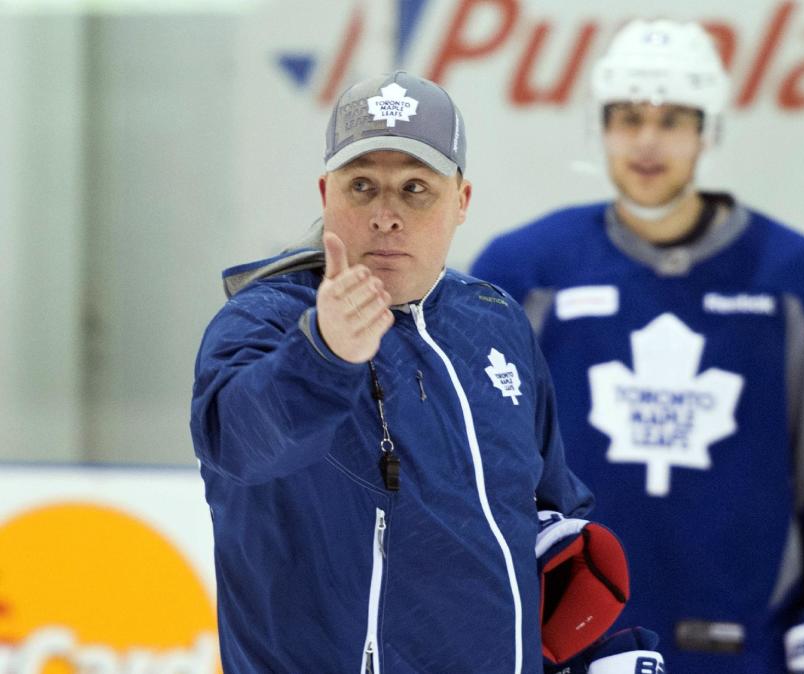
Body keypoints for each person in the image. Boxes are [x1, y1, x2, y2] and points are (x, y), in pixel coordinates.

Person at [191, 70, 661, 674]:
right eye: (362, 185)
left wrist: (587, 653)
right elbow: (241, 444)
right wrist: (325, 354)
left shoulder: (493, 320)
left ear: (461, 201)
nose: (386, 214)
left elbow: (544, 508)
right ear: (325, 192)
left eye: (416, 188)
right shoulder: (265, 320)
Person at [472, 19, 804, 674]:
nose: (646, 140)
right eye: (628, 116)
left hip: (749, 653)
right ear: (600, 127)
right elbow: (477, 466)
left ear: (708, 129)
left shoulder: (803, 285)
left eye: (672, 119)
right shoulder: (523, 272)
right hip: (570, 652)